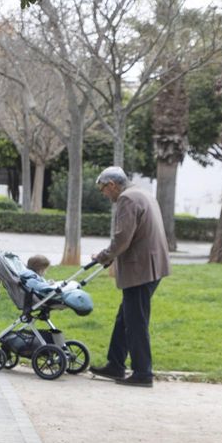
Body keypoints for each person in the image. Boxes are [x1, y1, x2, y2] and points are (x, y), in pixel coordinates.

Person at [88, 166, 170, 387]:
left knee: (135, 322)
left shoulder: (127, 199)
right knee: (125, 317)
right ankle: (115, 364)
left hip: (140, 268)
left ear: (112, 185)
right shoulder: (141, 193)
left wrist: (104, 256)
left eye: (103, 189)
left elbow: (122, 238)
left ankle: (143, 374)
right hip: (151, 265)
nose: (104, 194)